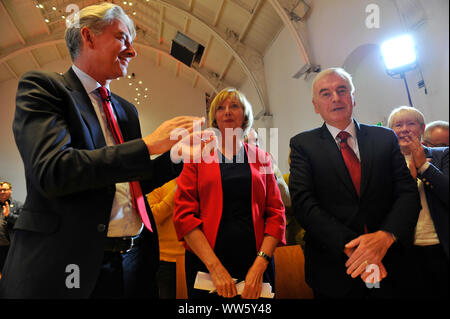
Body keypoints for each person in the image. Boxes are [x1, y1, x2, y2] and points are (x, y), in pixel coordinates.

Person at [0, 3, 208, 298]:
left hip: (133, 260)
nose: (132, 51)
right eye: (123, 38)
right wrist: (149, 144)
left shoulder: (126, 111)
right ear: (89, 37)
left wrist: (178, 156)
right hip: (69, 262)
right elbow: (54, 170)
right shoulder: (44, 88)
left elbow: (132, 183)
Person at [289, 67, 421, 299]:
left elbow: (407, 193)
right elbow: (304, 204)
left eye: (342, 90)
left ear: (353, 98)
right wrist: (359, 249)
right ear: (315, 105)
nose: (336, 98)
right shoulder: (303, 145)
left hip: (392, 261)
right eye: (326, 93)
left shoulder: (384, 138)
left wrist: (385, 237)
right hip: (334, 268)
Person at [174, 88, 286, 299]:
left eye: (234, 106)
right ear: (214, 117)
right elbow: (184, 215)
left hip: (256, 263)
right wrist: (215, 268)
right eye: (220, 108)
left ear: (245, 115)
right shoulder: (197, 157)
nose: (227, 112)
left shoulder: (262, 158)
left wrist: (260, 264)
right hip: (206, 264)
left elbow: (276, 213)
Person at [387, 106, 448, 298]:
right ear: (391, 132)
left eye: (410, 123)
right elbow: (386, 206)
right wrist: (410, 180)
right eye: (398, 125)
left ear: (421, 128)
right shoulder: (386, 164)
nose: (404, 129)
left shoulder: (442, 154)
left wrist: (423, 166)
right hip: (408, 249)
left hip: (443, 245)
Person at [147, 179, 184, 299]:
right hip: (166, 260)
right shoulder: (158, 182)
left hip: (196, 258)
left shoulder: (200, 181)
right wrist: (175, 194)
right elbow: (151, 219)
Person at [0, 182, 21, 275]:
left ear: (10, 191)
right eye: (0, 190)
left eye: (5, 189)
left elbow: (22, 221)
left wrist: (9, 215)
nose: (2, 192)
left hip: (9, 246)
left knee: (9, 273)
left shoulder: (18, 205)